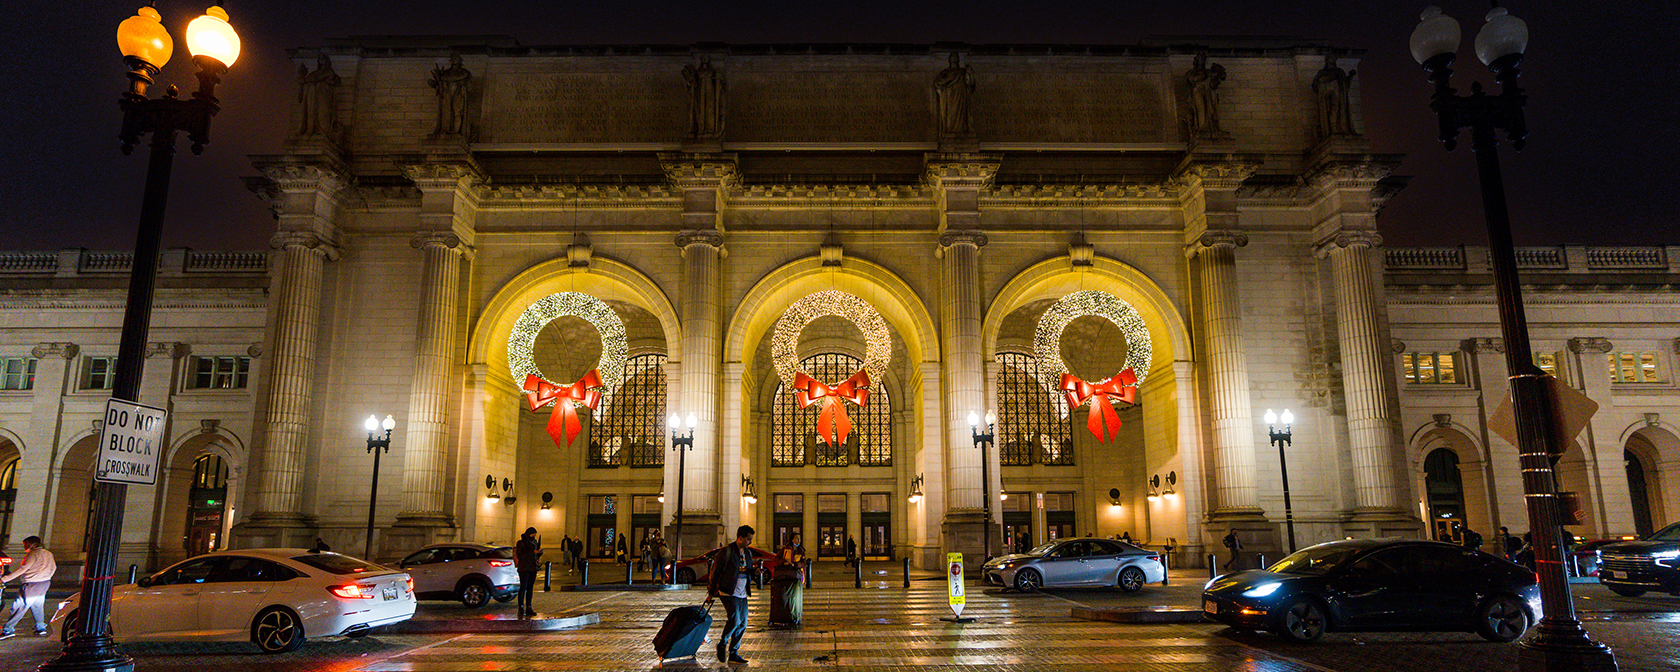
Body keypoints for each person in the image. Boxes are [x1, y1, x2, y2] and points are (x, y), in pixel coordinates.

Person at [706, 525, 756, 665]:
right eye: (748, 539)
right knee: (734, 619)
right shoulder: (726, 551)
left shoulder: (748, 553)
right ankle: (722, 644)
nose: (750, 542)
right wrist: (710, 592)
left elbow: (749, 570)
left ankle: (734, 653)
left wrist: (756, 573)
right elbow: (714, 572)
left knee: (743, 623)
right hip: (728, 591)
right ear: (740, 538)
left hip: (742, 593)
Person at [2, 536, 55, 637]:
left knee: (19, 606)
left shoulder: (33, 554)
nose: (24, 547)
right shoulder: (48, 553)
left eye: (25, 544)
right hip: (44, 582)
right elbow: (54, 567)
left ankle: (8, 630)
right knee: (37, 605)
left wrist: (4, 579)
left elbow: (23, 569)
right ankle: (41, 627)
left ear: (32, 544)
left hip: (32, 583)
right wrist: (46, 576)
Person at [770, 532, 806, 627]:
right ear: (792, 540)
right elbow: (777, 558)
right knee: (786, 597)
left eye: (799, 539)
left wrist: (796, 564)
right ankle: (786, 616)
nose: (798, 541)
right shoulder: (785, 549)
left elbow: (803, 562)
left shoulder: (800, 550)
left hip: (796, 576)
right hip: (786, 576)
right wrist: (784, 562)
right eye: (796, 539)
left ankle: (795, 616)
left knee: (795, 599)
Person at [514, 527, 543, 617]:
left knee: (530, 588)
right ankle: (521, 607)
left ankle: (529, 607)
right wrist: (533, 552)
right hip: (524, 568)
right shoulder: (521, 543)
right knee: (523, 587)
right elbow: (520, 555)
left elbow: (534, 556)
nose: (533, 536)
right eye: (532, 534)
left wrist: (538, 553)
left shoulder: (534, 543)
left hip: (532, 568)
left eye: (534, 535)